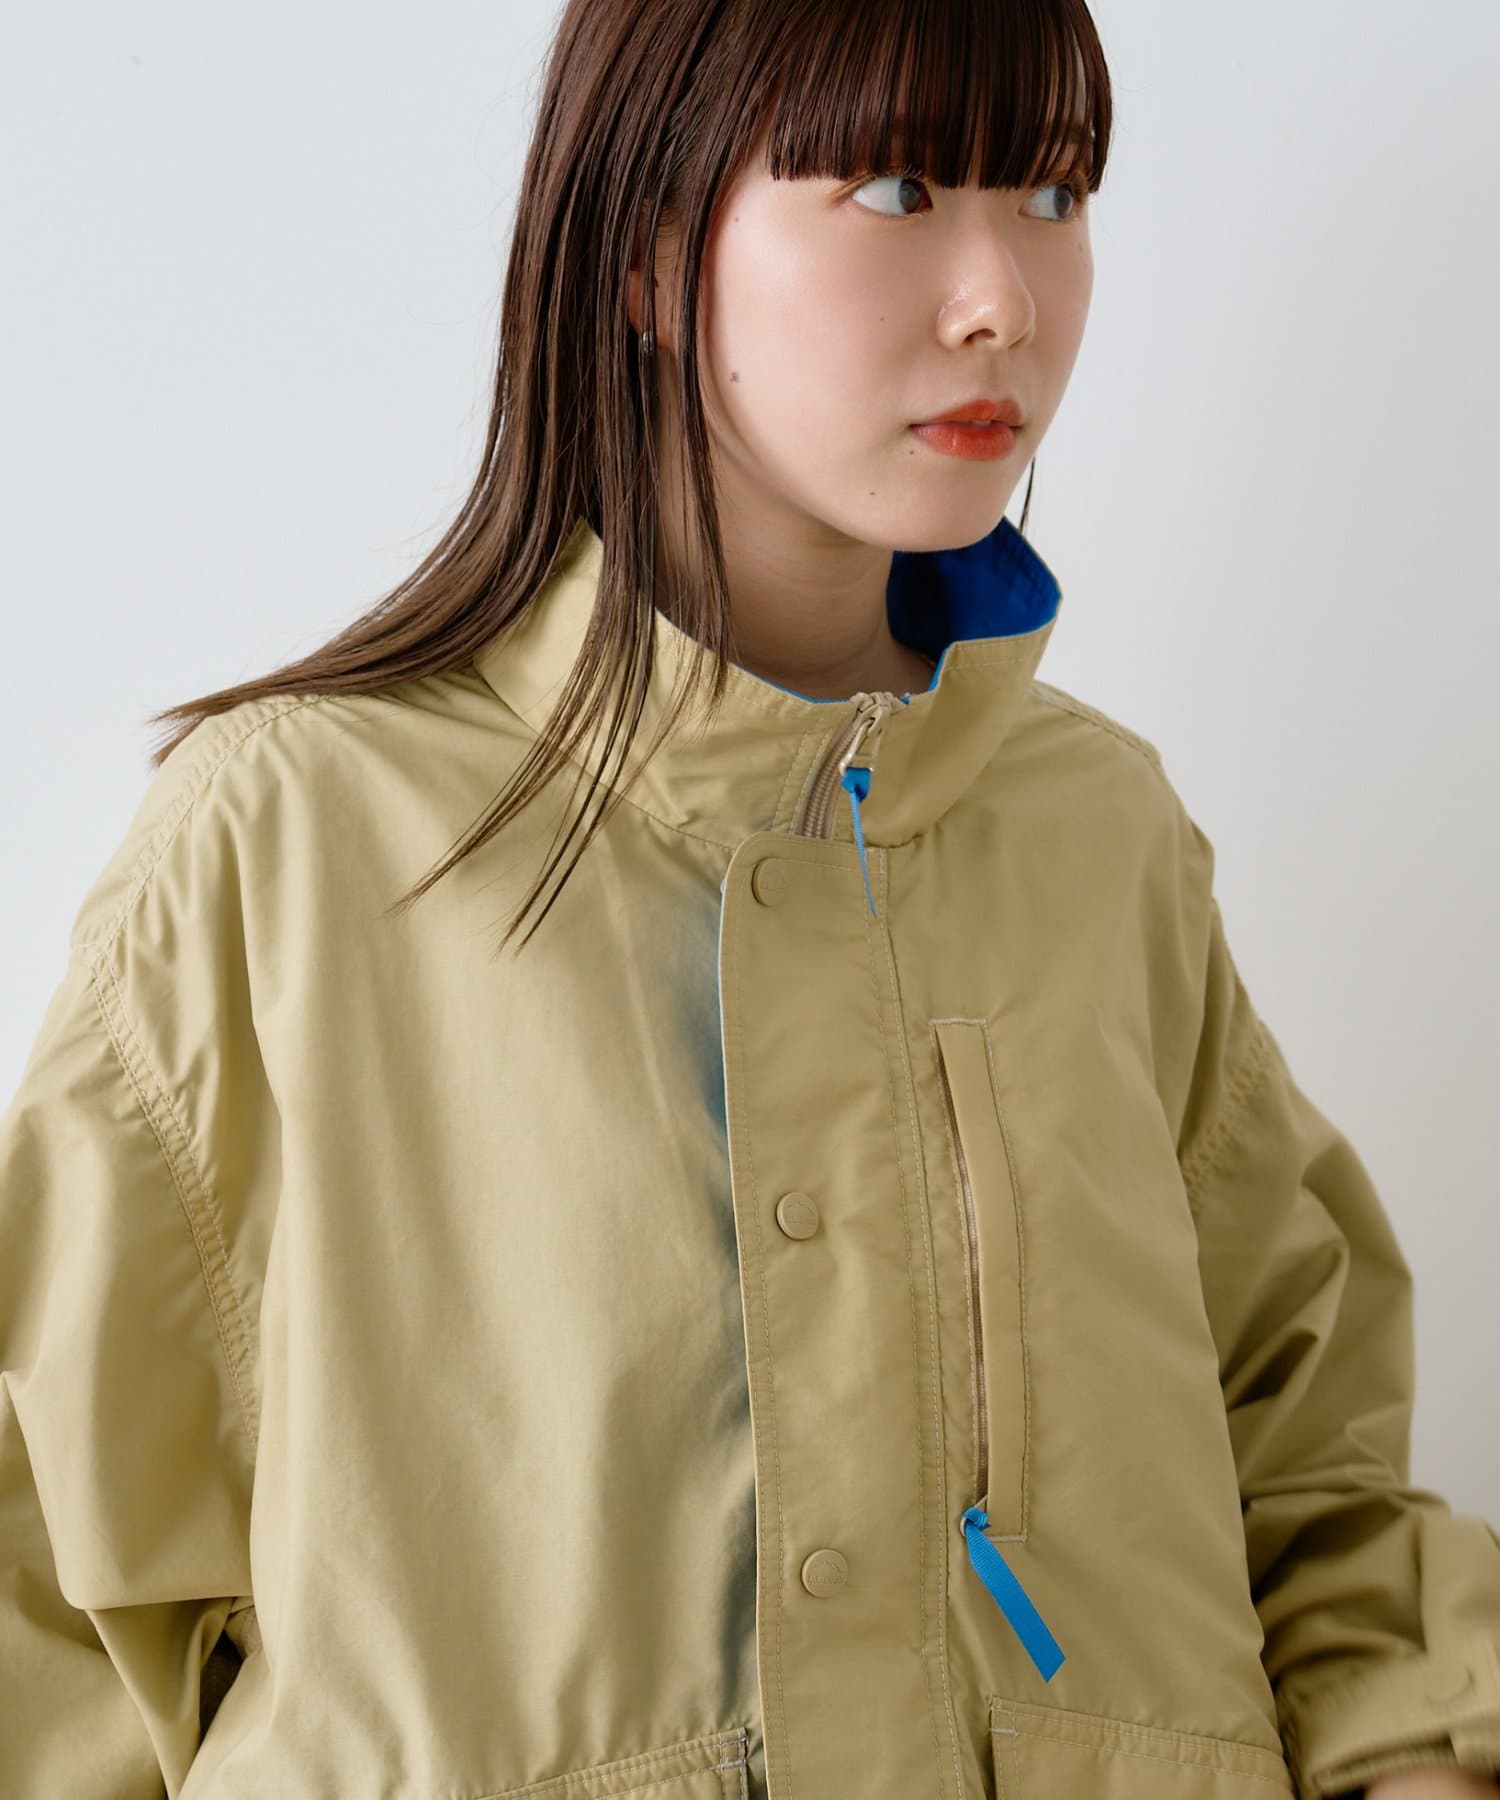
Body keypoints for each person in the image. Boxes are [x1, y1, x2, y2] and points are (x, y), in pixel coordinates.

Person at [3, 0, 1497, 1795]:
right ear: (646, 250)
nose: (1002, 300)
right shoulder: (293, 845)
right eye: (896, 188)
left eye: (1054, 192)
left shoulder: (1099, 839)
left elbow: (1312, 1483)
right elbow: (47, 1598)